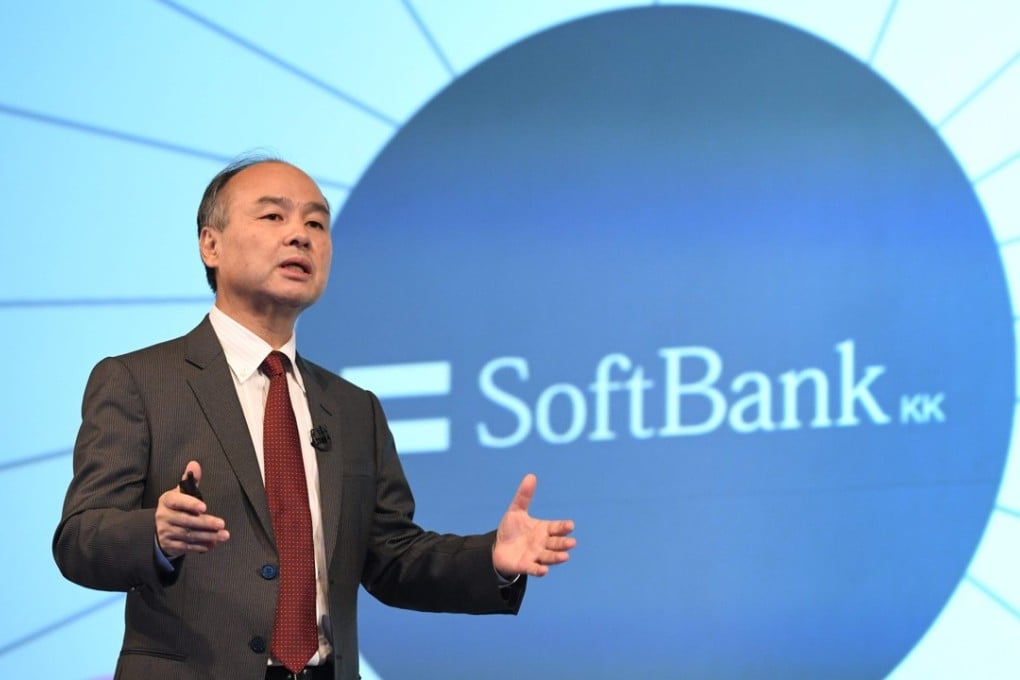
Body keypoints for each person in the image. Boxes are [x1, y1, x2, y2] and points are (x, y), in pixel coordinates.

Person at [53, 156, 576, 680]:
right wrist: (156, 534)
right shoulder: (139, 381)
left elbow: (391, 557)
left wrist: (492, 558)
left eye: (316, 223)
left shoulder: (352, 408)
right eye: (273, 217)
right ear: (210, 244)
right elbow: (79, 539)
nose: (300, 236)